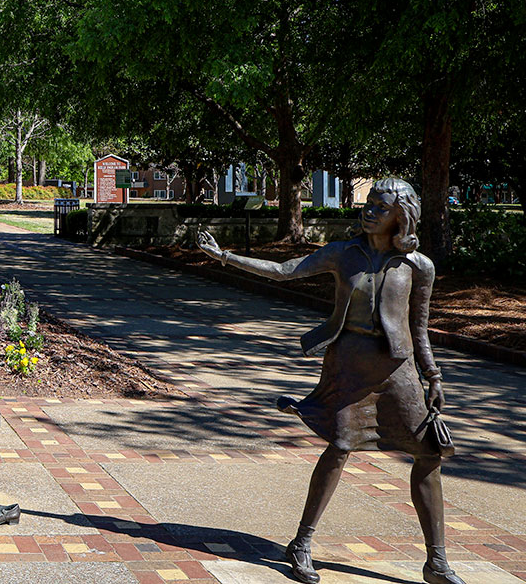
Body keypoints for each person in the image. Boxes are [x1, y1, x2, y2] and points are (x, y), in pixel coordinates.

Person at [197, 178, 463, 584]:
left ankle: (437, 562)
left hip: (399, 372)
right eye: (369, 202)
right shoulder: (343, 254)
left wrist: (433, 376)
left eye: (381, 206)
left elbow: (420, 329)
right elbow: (285, 271)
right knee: (339, 447)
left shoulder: (417, 266)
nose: (370, 210)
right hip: (348, 364)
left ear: (401, 215)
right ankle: (301, 544)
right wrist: (224, 257)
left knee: (428, 455)